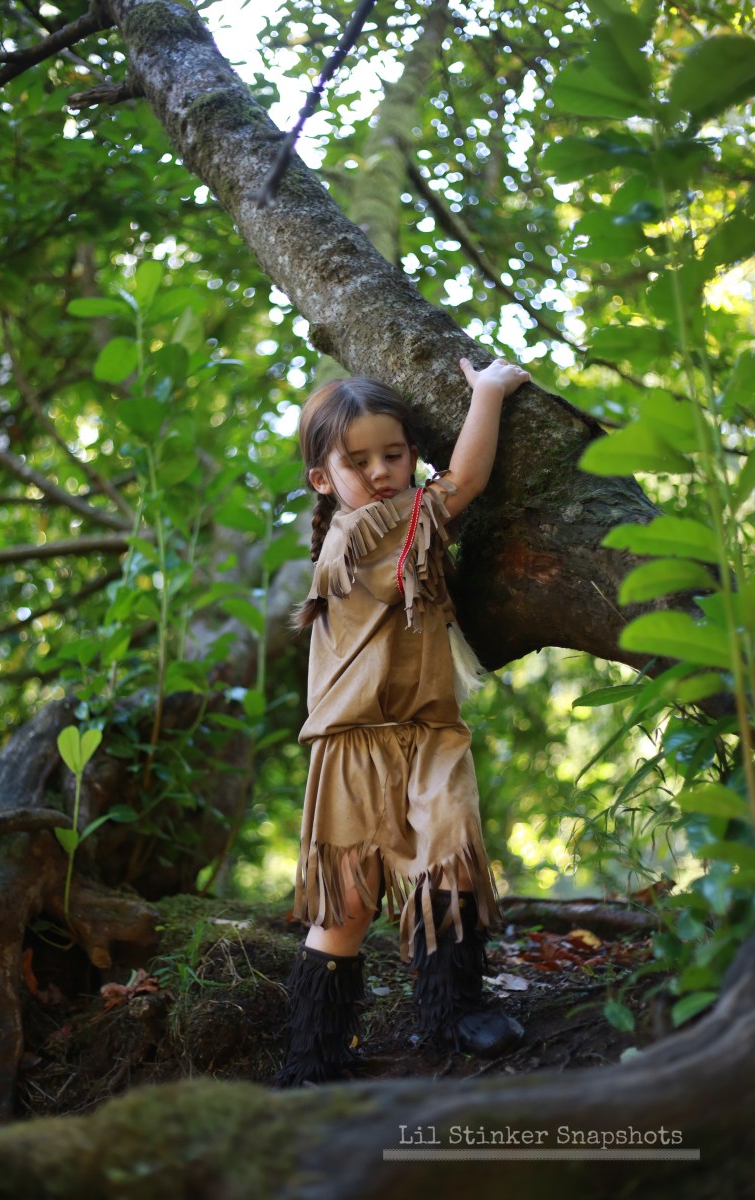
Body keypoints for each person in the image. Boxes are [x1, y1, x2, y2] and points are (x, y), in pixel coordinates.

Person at [278, 356, 531, 1086]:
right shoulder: (366, 533)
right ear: (322, 478)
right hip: (354, 746)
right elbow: (467, 480)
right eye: (358, 462)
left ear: (412, 452)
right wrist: (488, 392)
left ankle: (453, 1012)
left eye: (394, 454)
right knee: (348, 907)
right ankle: (312, 1059)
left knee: (448, 863)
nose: (382, 471)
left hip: (429, 734)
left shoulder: (392, 520)